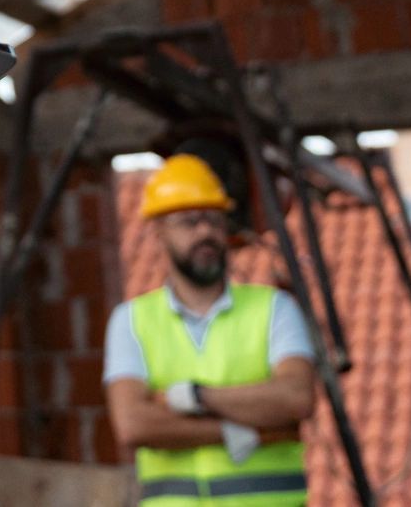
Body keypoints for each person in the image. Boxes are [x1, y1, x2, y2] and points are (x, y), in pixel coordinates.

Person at [104, 154, 316, 505]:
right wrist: (243, 430)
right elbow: (134, 424)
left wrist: (194, 397)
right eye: (189, 222)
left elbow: (295, 398)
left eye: (214, 220)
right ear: (159, 233)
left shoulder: (275, 309)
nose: (205, 232)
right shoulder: (131, 320)